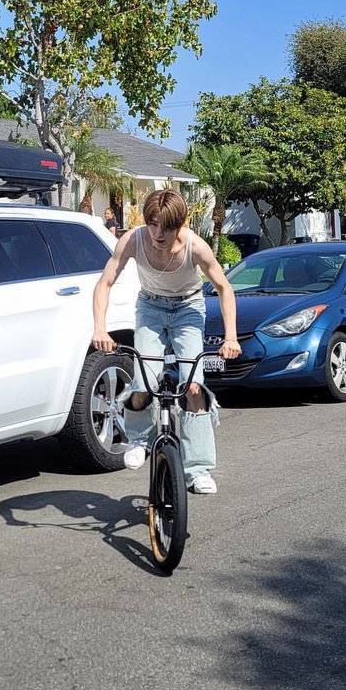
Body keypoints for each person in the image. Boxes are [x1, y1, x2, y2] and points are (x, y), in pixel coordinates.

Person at [91, 188, 241, 494]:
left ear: (181, 224)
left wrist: (230, 337)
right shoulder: (133, 240)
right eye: (153, 224)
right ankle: (139, 439)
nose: (159, 233)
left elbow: (224, 288)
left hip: (188, 307)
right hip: (150, 306)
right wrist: (100, 329)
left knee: (193, 385)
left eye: (168, 227)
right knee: (145, 381)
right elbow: (104, 283)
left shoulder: (196, 248)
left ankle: (197, 469)